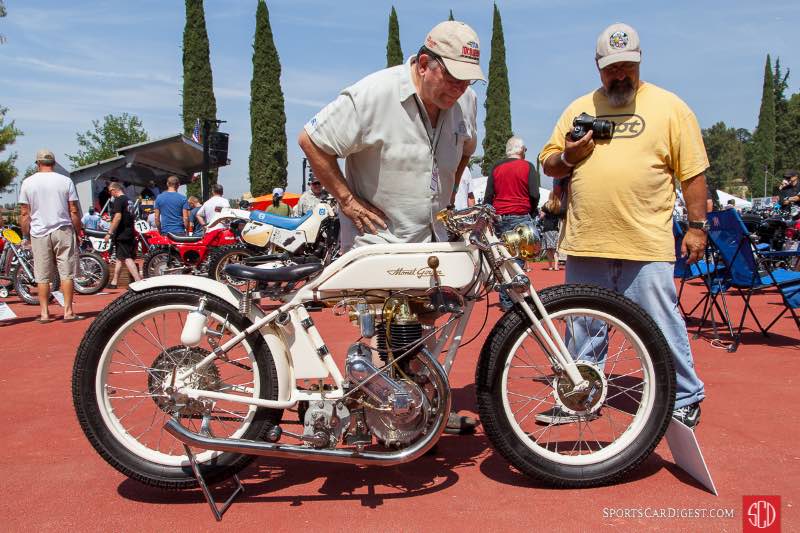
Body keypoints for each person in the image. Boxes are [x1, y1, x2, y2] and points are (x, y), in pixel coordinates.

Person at [298, 20, 484, 435]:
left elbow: (466, 149)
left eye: (468, 80)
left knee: (423, 329)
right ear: (424, 63)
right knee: (385, 332)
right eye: (452, 77)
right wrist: (347, 201)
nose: (459, 89)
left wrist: (446, 200)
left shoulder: (466, 101)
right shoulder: (375, 93)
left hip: (432, 242)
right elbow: (312, 139)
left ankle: (418, 409)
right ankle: (380, 413)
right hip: (381, 241)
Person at [538, 22, 707, 428]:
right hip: (587, 241)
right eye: (612, 68)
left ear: (639, 61)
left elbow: (693, 173)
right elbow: (548, 163)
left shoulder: (670, 107)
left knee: (660, 323)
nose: (620, 75)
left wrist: (698, 226)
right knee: (583, 326)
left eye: (627, 66)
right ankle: (581, 396)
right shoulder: (579, 108)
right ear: (598, 66)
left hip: (645, 242)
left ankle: (684, 396)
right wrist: (570, 156)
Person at [18, 149, 84, 323]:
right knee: (66, 273)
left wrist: (25, 234)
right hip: (63, 229)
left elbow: (24, 213)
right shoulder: (65, 181)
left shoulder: (28, 182)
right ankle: (68, 311)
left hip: (39, 231)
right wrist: (78, 231)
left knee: (42, 274)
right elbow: (73, 210)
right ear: (53, 163)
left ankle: (45, 313)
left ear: (38, 163)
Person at [484, 136, 540, 311]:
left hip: (500, 217)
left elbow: (488, 196)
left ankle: (507, 298)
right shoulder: (528, 166)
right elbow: (534, 194)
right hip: (520, 215)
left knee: (503, 257)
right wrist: (532, 211)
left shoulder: (496, 167)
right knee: (518, 259)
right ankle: (513, 299)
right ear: (521, 150)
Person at [104, 182, 142, 289]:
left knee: (127, 258)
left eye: (110, 191)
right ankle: (114, 282)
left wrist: (109, 233)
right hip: (129, 232)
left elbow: (117, 217)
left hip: (122, 233)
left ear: (114, 190)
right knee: (119, 258)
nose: (110, 194)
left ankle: (138, 282)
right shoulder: (128, 200)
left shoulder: (118, 200)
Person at [540, 191, 563, 271]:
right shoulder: (558, 205)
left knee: (548, 249)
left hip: (547, 229)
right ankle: (556, 266)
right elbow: (562, 217)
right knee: (555, 249)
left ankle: (550, 266)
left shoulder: (546, 205)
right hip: (555, 229)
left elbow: (541, 216)